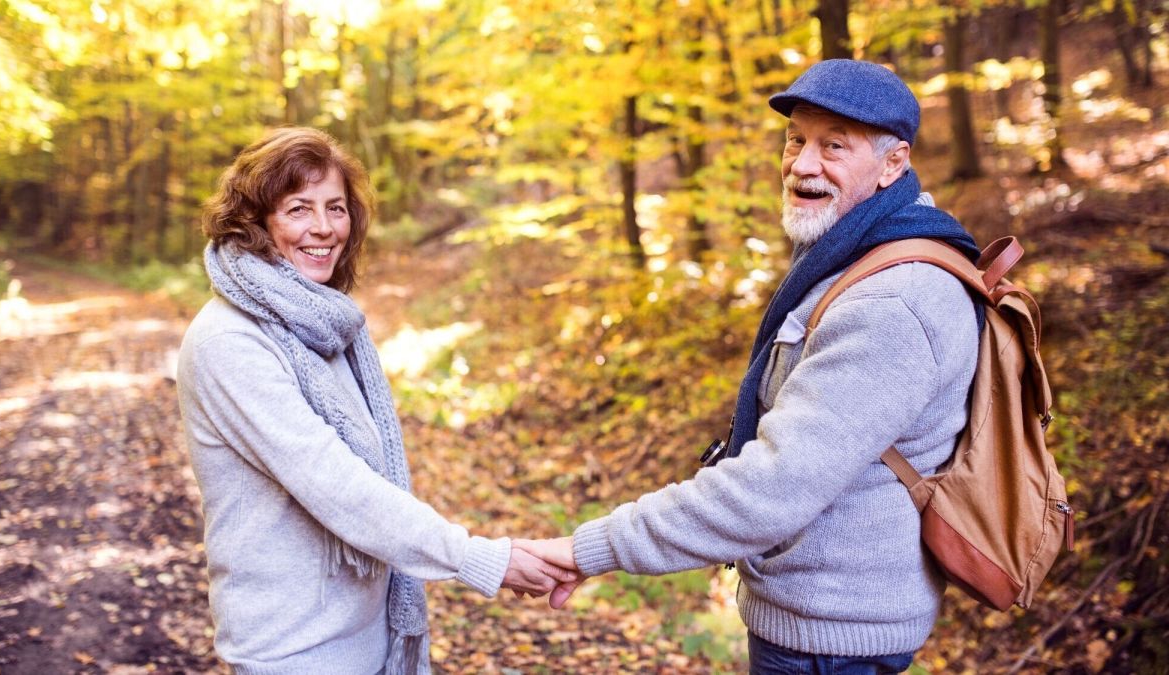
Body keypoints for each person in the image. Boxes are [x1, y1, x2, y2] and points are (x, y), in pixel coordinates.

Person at [521, 59, 982, 673]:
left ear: (893, 164)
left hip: (831, 641)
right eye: (796, 140)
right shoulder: (850, 259)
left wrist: (592, 548)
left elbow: (773, 486)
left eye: (834, 146)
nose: (803, 164)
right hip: (815, 622)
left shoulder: (893, 302)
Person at [176, 126, 577, 674]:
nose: (324, 227)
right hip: (292, 650)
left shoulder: (324, 326)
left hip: (370, 636)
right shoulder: (230, 341)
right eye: (298, 208)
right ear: (254, 223)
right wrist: (480, 558)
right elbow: (336, 484)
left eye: (336, 207)